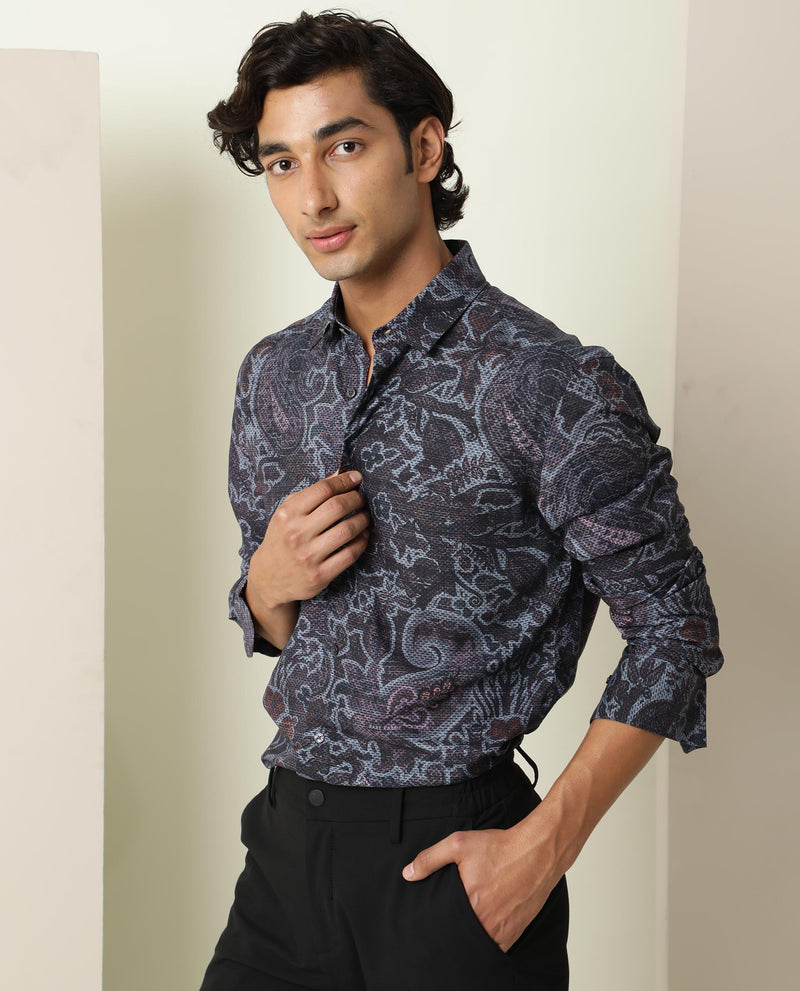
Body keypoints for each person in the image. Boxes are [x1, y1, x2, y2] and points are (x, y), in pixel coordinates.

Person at [200, 10, 723, 991]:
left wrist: (545, 843)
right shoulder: (273, 376)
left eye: (344, 146)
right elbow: (280, 623)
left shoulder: (545, 380)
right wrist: (264, 587)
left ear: (423, 147)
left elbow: (675, 626)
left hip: (453, 868)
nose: (313, 196)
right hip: (284, 855)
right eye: (280, 163)